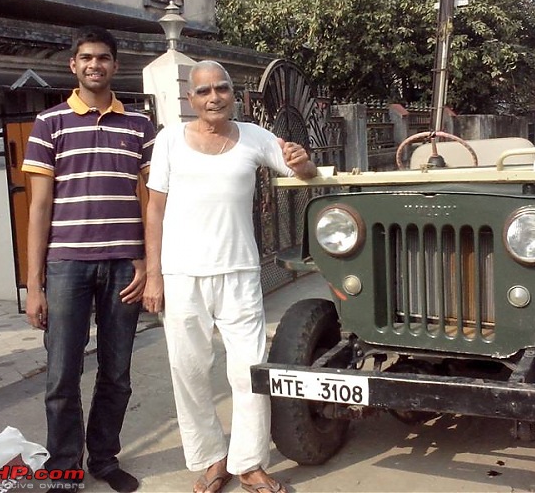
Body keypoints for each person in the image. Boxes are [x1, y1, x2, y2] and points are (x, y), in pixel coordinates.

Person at [143, 60, 317, 493]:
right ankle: (210, 459)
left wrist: (304, 160)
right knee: (189, 370)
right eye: (203, 92)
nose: (213, 97)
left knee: (249, 370)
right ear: (190, 98)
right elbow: (155, 209)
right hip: (182, 274)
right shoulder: (169, 141)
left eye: (221, 89)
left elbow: (302, 172)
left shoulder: (254, 136)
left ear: (233, 94)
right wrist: (153, 275)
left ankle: (249, 462)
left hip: (239, 271)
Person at [22, 26, 156, 493]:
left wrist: (145, 261)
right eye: (85, 57)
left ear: (115, 66)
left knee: (116, 373)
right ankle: (63, 466)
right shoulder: (50, 124)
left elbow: (148, 201)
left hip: (124, 265)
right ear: (73, 65)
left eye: (102, 57)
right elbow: (38, 207)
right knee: (62, 374)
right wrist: (33, 285)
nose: (94, 64)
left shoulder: (139, 126)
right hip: (67, 267)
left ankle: (104, 458)